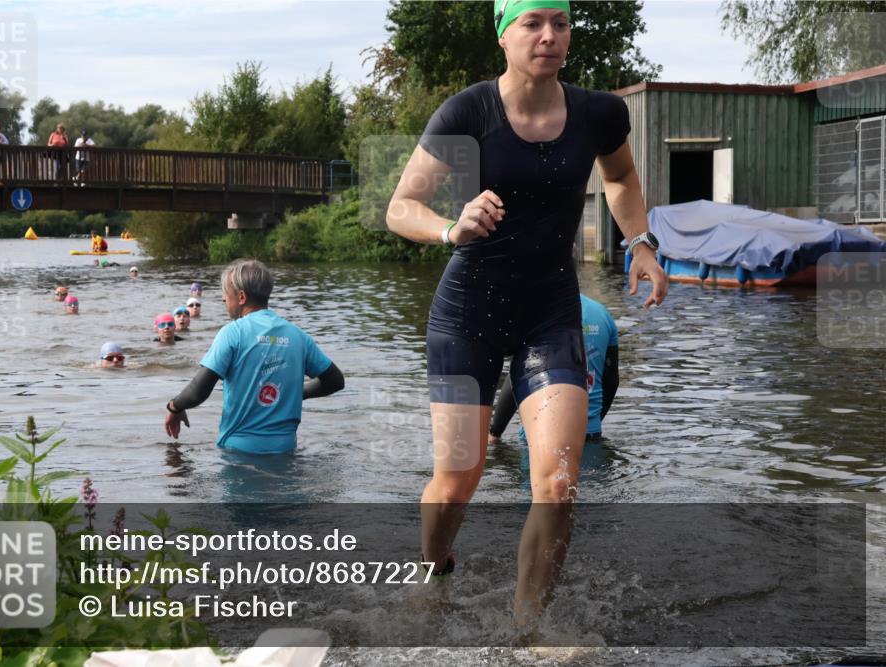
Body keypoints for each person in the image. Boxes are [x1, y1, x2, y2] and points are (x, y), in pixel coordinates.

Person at [384, 0, 667, 627]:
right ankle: (433, 567)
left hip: (550, 313)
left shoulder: (600, 113)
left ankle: (528, 628)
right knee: (458, 481)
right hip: (467, 316)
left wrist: (641, 243)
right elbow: (401, 207)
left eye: (559, 23)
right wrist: (450, 228)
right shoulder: (469, 111)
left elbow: (620, 178)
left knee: (559, 483)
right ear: (503, 35)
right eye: (532, 23)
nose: (548, 35)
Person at [163, 259, 344, 455]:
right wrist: (296, 393)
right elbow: (335, 381)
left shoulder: (233, 333)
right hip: (286, 452)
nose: (224, 299)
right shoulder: (298, 336)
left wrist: (174, 407)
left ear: (241, 297)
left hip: (238, 453)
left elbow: (197, 392)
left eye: (226, 294)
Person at [490, 294, 619, 444]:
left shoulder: (534, 311)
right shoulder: (601, 312)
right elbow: (611, 381)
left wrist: (495, 432)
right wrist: (592, 423)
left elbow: (518, 376)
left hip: (539, 437)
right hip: (590, 436)